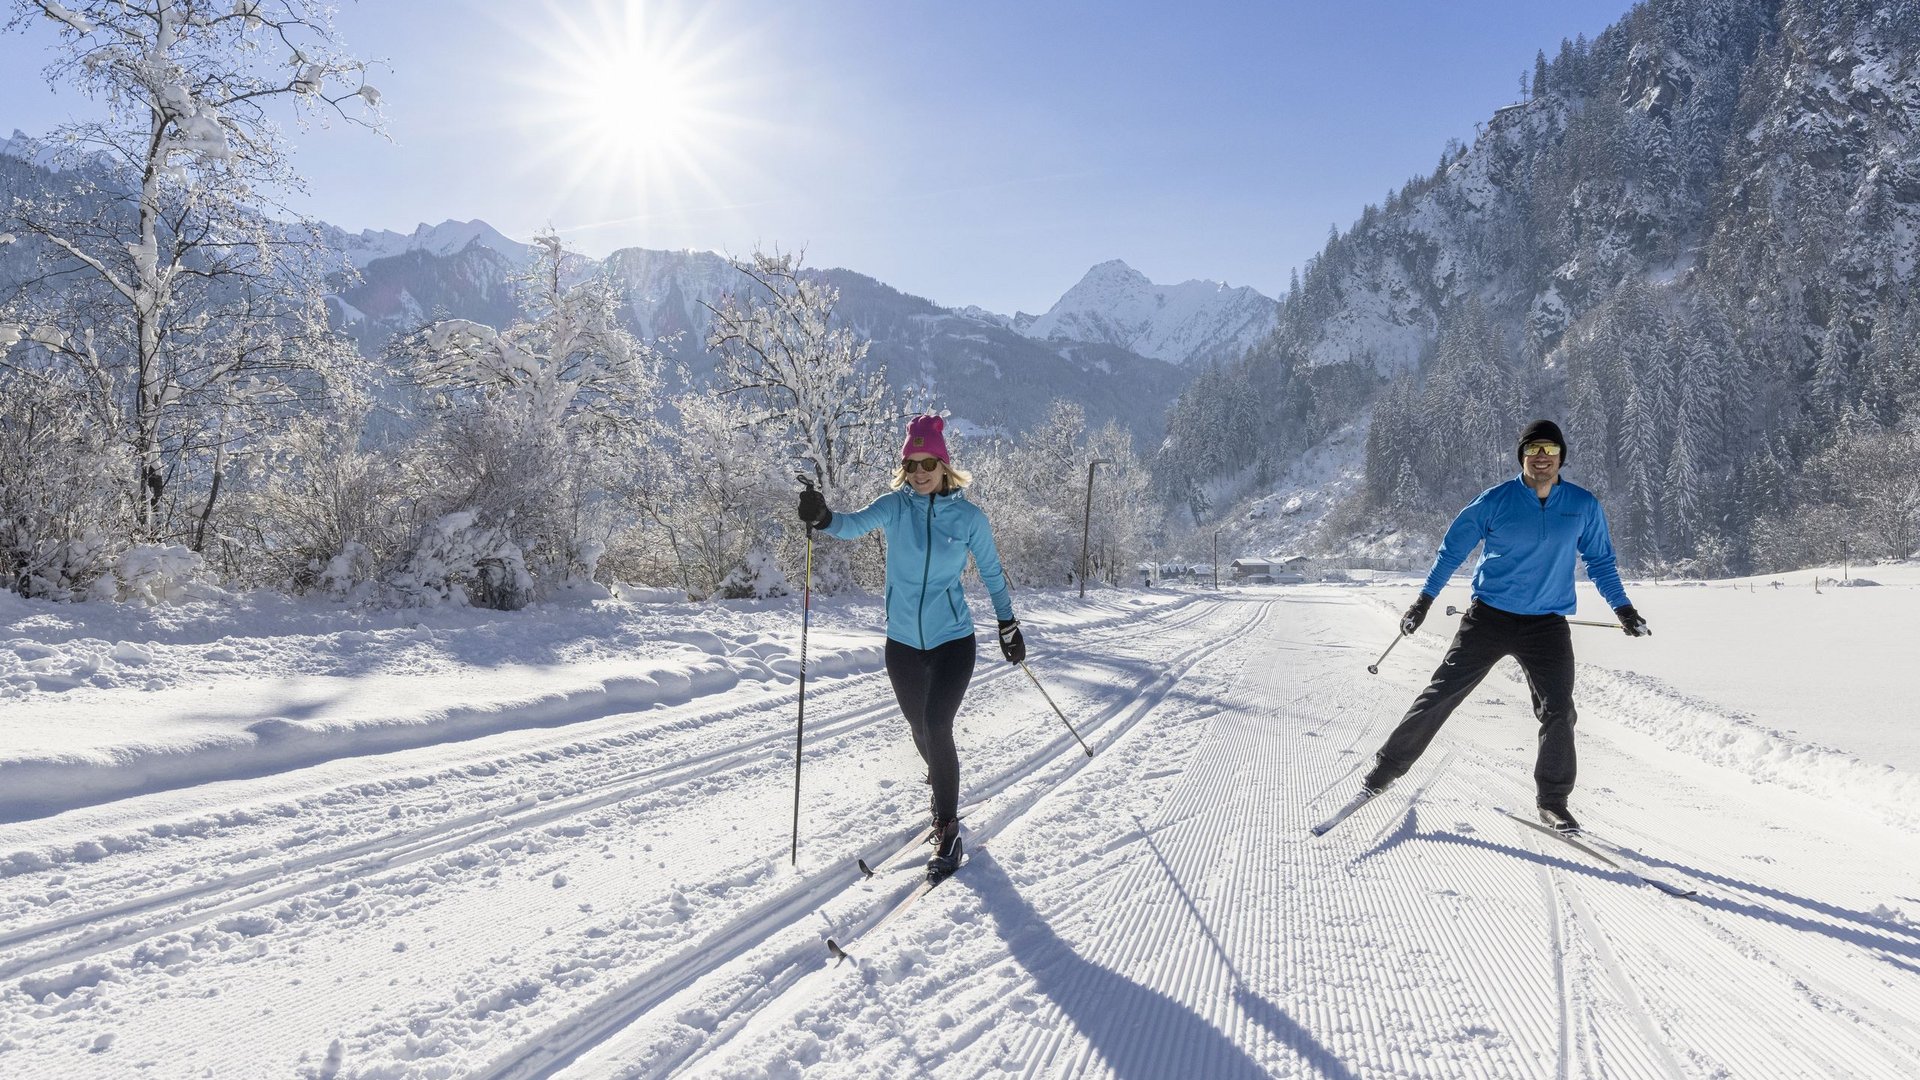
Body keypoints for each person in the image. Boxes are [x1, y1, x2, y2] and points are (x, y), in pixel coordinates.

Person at [1360, 419, 1650, 833]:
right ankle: (1385, 770)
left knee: (1559, 710)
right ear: (1522, 456)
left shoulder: (1583, 506)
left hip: (1546, 625)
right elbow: (1450, 552)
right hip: (1489, 618)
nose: (1542, 458)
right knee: (1442, 693)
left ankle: (1553, 802)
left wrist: (1624, 609)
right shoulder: (1495, 500)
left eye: (1550, 450)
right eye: (1534, 450)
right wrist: (1423, 602)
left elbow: (1600, 562)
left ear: (1562, 456)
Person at [796, 414, 1023, 881]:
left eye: (928, 463)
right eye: (912, 463)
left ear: (944, 464)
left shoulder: (968, 518)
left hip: (952, 642)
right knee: (922, 732)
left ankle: (948, 826)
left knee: (937, 723)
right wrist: (821, 517)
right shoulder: (894, 507)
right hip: (901, 645)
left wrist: (1007, 624)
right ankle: (942, 787)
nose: (919, 472)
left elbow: (993, 573)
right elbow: (849, 526)